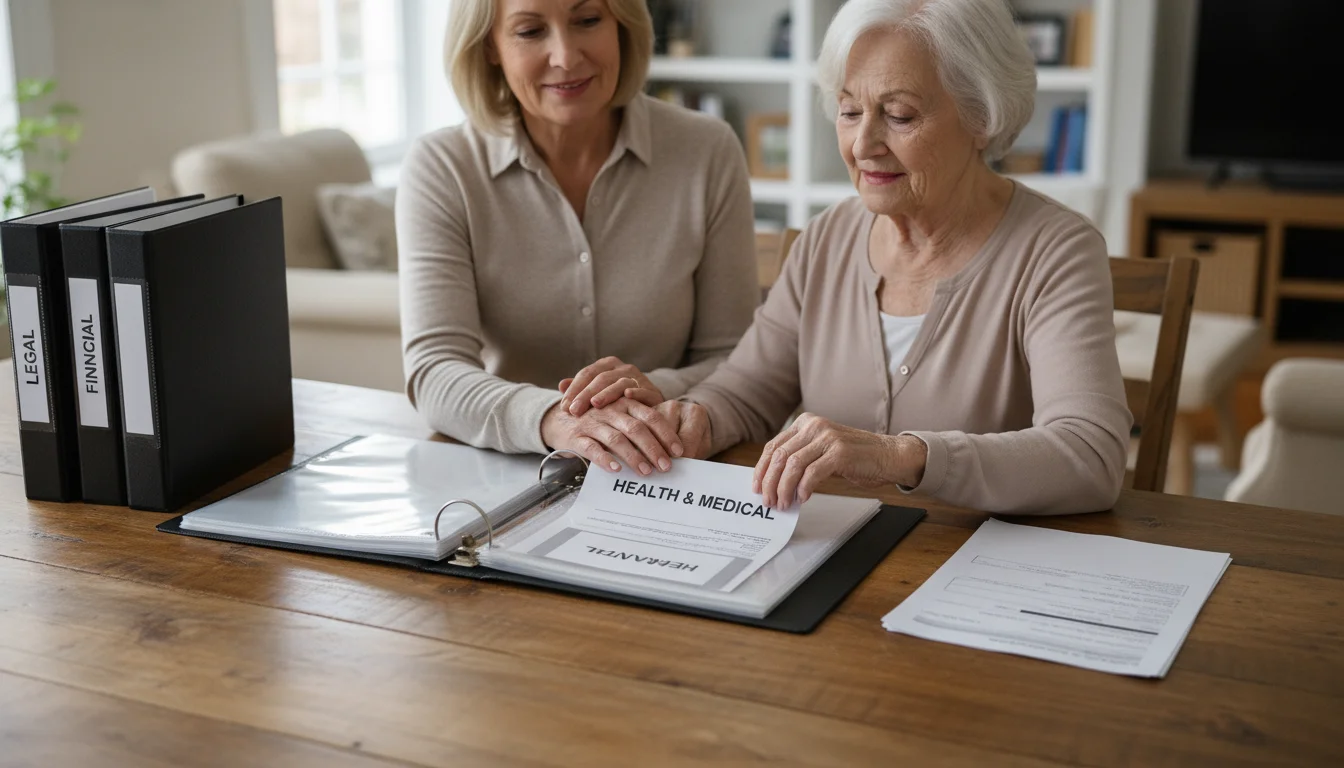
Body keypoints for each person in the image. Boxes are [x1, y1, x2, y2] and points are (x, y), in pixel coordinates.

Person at [644, 0, 1131, 514]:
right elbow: (747, 390)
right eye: (849, 111)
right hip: (829, 556)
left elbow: (1090, 455)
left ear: (982, 117)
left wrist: (900, 457)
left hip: (974, 565)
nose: (862, 144)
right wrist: (692, 420)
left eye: (899, 115)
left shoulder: (1055, 251)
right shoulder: (825, 239)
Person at [397, 0, 758, 476]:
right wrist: (557, 420)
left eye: (588, 21)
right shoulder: (442, 166)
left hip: (665, 470)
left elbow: (736, 359)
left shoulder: (707, 150)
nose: (566, 57)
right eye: (529, 31)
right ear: (489, 46)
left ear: (622, 27)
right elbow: (435, 371)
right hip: (507, 474)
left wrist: (644, 392)